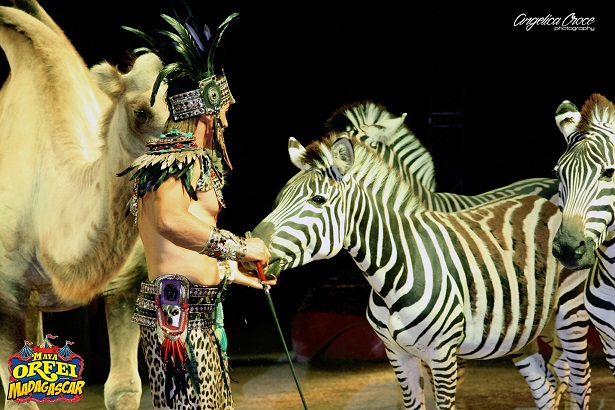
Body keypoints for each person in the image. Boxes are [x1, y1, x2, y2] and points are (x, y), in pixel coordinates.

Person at [117, 9, 273, 410]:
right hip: (179, 318)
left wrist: (229, 272)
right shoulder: (177, 159)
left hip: (194, 310)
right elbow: (170, 222)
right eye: (222, 112)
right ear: (207, 113)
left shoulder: (180, 160)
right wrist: (239, 248)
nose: (226, 119)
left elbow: (182, 250)